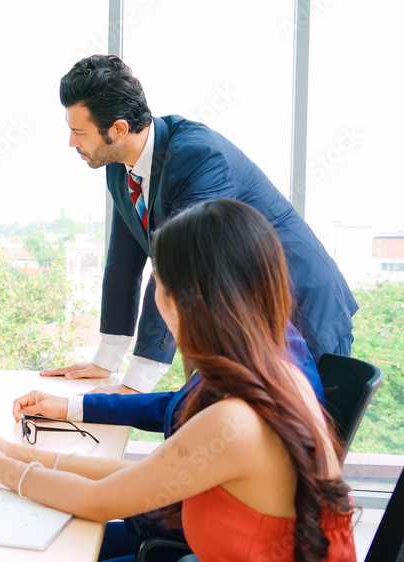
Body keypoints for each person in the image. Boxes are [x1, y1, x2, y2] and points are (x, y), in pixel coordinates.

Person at [0, 199, 356, 561]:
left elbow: (99, 502)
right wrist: (15, 456)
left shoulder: (235, 421)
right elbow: (138, 480)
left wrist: (3, 472)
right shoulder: (277, 370)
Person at [44, 55, 356, 395]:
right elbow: (123, 261)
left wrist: (137, 380)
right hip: (242, 317)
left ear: (118, 129)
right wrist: (107, 358)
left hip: (298, 305)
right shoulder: (118, 164)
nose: (72, 143)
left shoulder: (197, 156)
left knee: (308, 435)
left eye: (78, 132)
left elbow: (178, 267)